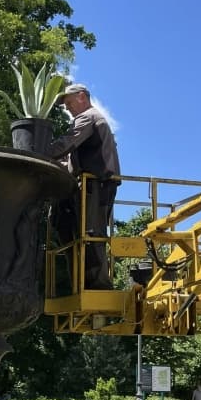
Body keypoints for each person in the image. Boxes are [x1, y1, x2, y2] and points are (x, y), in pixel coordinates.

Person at [49, 83, 121, 290]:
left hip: (97, 183)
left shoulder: (87, 117)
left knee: (91, 233)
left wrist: (37, 150)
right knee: (79, 232)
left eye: (69, 102)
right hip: (95, 183)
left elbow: (65, 145)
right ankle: (84, 283)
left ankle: (98, 286)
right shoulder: (90, 120)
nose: (67, 108)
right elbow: (70, 158)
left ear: (82, 96)